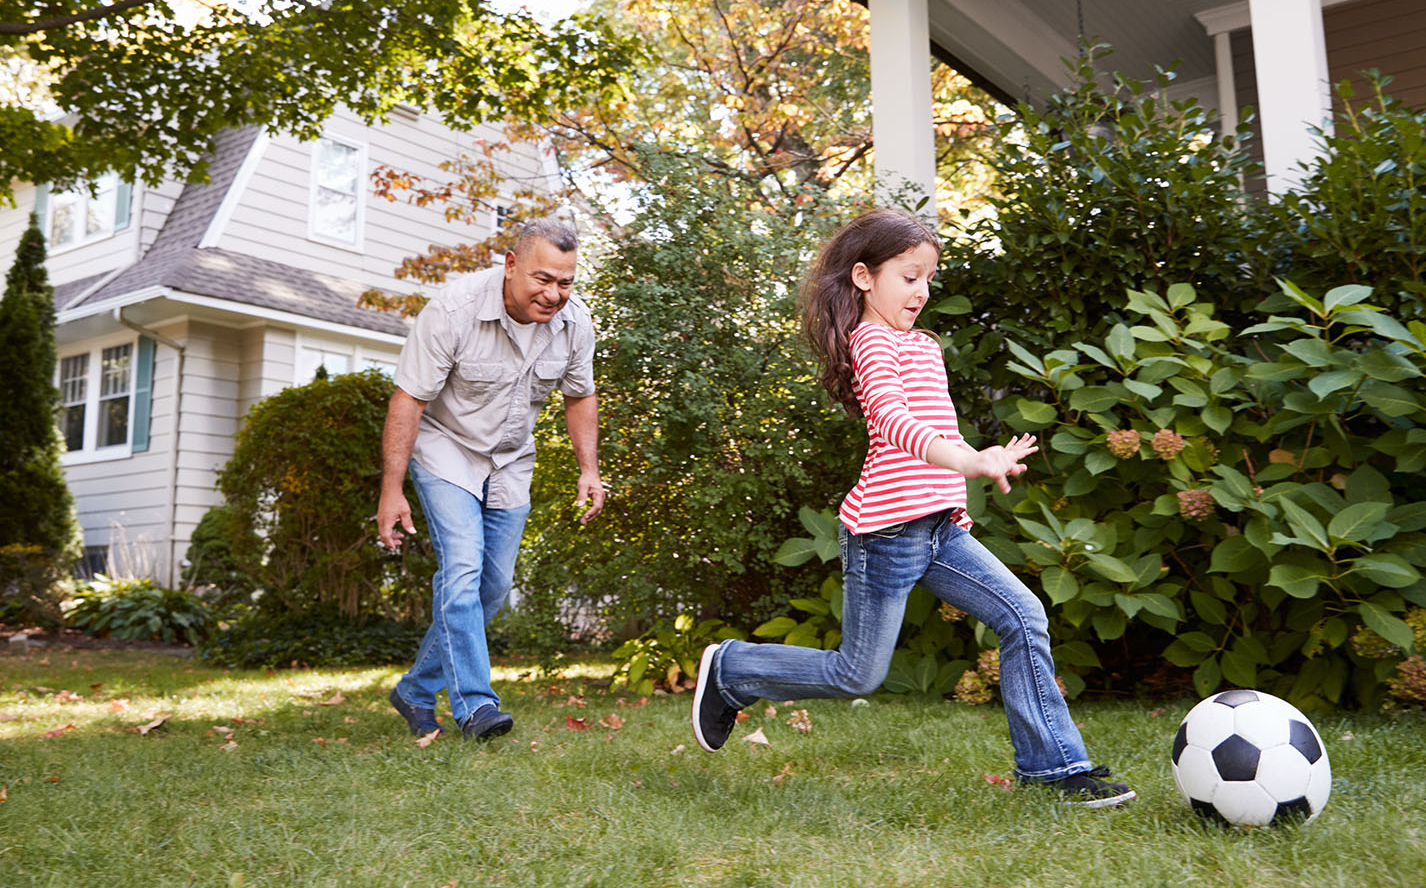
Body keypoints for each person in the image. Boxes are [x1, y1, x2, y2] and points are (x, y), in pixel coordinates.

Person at [689, 209, 1135, 806]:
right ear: (865, 278)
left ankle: (1057, 769)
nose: (922, 291)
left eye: (928, 278)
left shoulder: (922, 344)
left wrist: (980, 465)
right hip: (887, 533)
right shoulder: (870, 343)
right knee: (858, 674)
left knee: (1023, 617)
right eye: (908, 276)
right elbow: (894, 421)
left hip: (939, 529)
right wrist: (969, 460)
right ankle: (731, 670)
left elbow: (929, 420)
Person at [377, 216, 604, 741]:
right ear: (509, 266)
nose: (553, 294)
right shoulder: (454, 311)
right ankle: (476, 706)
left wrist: (588, 469)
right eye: (542, 279)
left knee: (492, 587)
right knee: (461, 570)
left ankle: (414, 691)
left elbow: (579, 395)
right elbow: (408, 399)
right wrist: (391, 490)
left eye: (565, 282)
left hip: (510, 459)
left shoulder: (575, 326)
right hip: (446, 450)